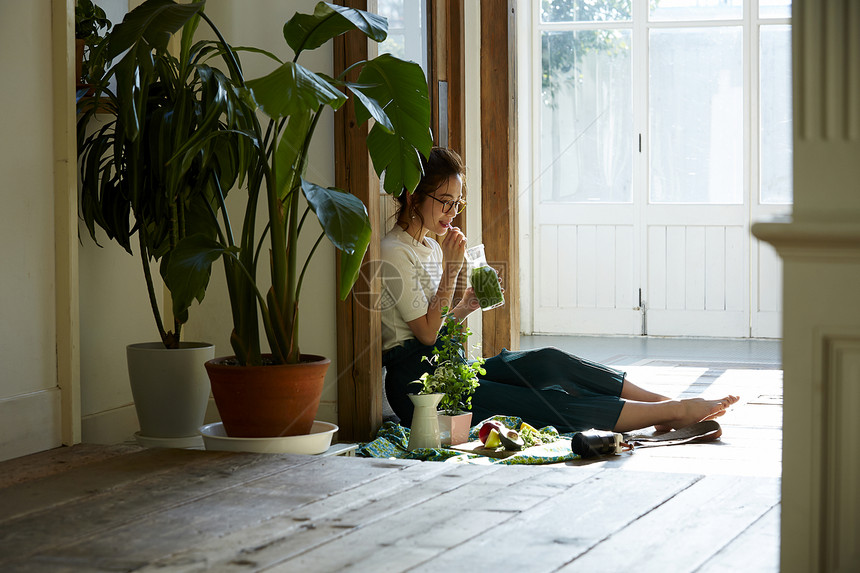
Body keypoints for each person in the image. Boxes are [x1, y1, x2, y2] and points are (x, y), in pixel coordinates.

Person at [380, 147, 739, 434]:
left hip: (448, 367)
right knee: (544, 401)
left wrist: (466, 305)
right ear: (414, 196)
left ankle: (663, 405)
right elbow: (425, 336)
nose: (452, 212)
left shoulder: (429, 245)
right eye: (445, 200)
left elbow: (438, 327)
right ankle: (671, 412)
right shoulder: (394, 251)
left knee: (550, 360)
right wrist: (452, 271)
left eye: (458, 203)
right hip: (419, 387)